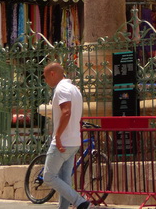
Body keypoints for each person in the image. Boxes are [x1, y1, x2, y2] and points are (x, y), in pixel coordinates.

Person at [42, 62, 90, 209]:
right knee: (64, 179)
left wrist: (58, 135)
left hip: (63, 142)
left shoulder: (61, 88)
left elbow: (66, 112)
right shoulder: (74, 89)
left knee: (48, 177)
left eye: (45, 77)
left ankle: (79, 201)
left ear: (52, 74)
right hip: (74, 141)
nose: (45, 81)